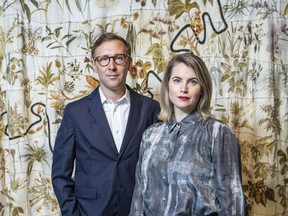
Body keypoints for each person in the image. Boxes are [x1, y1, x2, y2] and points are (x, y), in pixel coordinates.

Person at [52, 32, 160, 216]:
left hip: (138, 210)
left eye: (118, 58)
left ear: (129, 63)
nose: (111, 66)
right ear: (94, 65)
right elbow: (60, 174)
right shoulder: (75, 112)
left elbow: (159, 168)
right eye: (103, 59)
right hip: (90, 211)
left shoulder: (150, 109)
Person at [130, 53, 248, 216]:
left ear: (202, 89)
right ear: (168, 86)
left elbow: (233, 204)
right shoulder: (150, 135)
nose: (183, 88)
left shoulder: (217, 133)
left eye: (193, 82)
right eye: (177, 80)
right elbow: (138, 200)